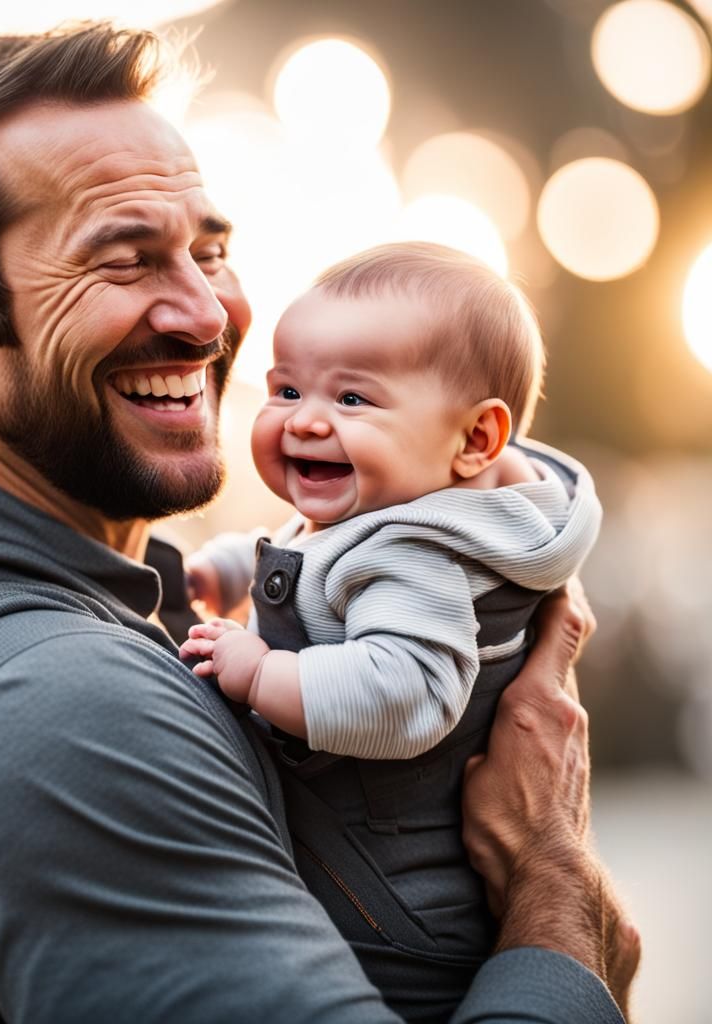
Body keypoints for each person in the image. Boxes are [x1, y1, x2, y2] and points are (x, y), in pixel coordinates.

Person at [0, 22, 637, 1023]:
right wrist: (558, 906)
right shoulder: (60, 711)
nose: (207, 315)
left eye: (209, 249)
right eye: (125, 260)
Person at [178, 242, 603, 1018]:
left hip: (394, 917)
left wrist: (257, 673)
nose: (305, 420)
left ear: (475, 440)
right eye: (286, 388)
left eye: (353, 401)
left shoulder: (419, 558)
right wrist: (229, 570)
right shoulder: (399, 502)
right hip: (380, 889)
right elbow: (315, 559)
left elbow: (407, 693)